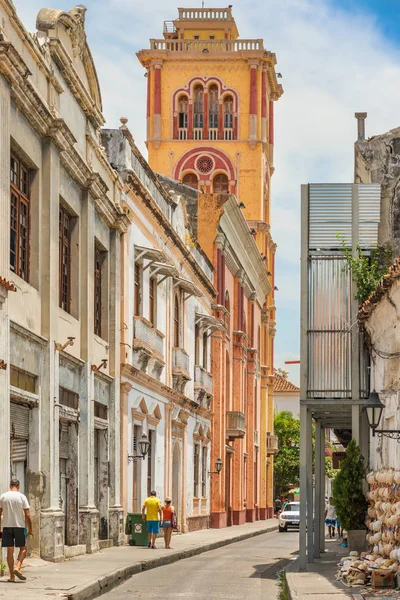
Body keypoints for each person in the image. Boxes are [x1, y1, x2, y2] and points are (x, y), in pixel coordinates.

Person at [0, 478, 33, 582]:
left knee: (10, 551)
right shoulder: (22, 497)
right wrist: (30, 529)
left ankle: (11, 576)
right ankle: (17, 567)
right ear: (18, 487)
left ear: (10, 486)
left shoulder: (3, 496)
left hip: (6, 526)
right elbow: (27, 514)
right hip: (19, 526)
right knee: (23, 548)